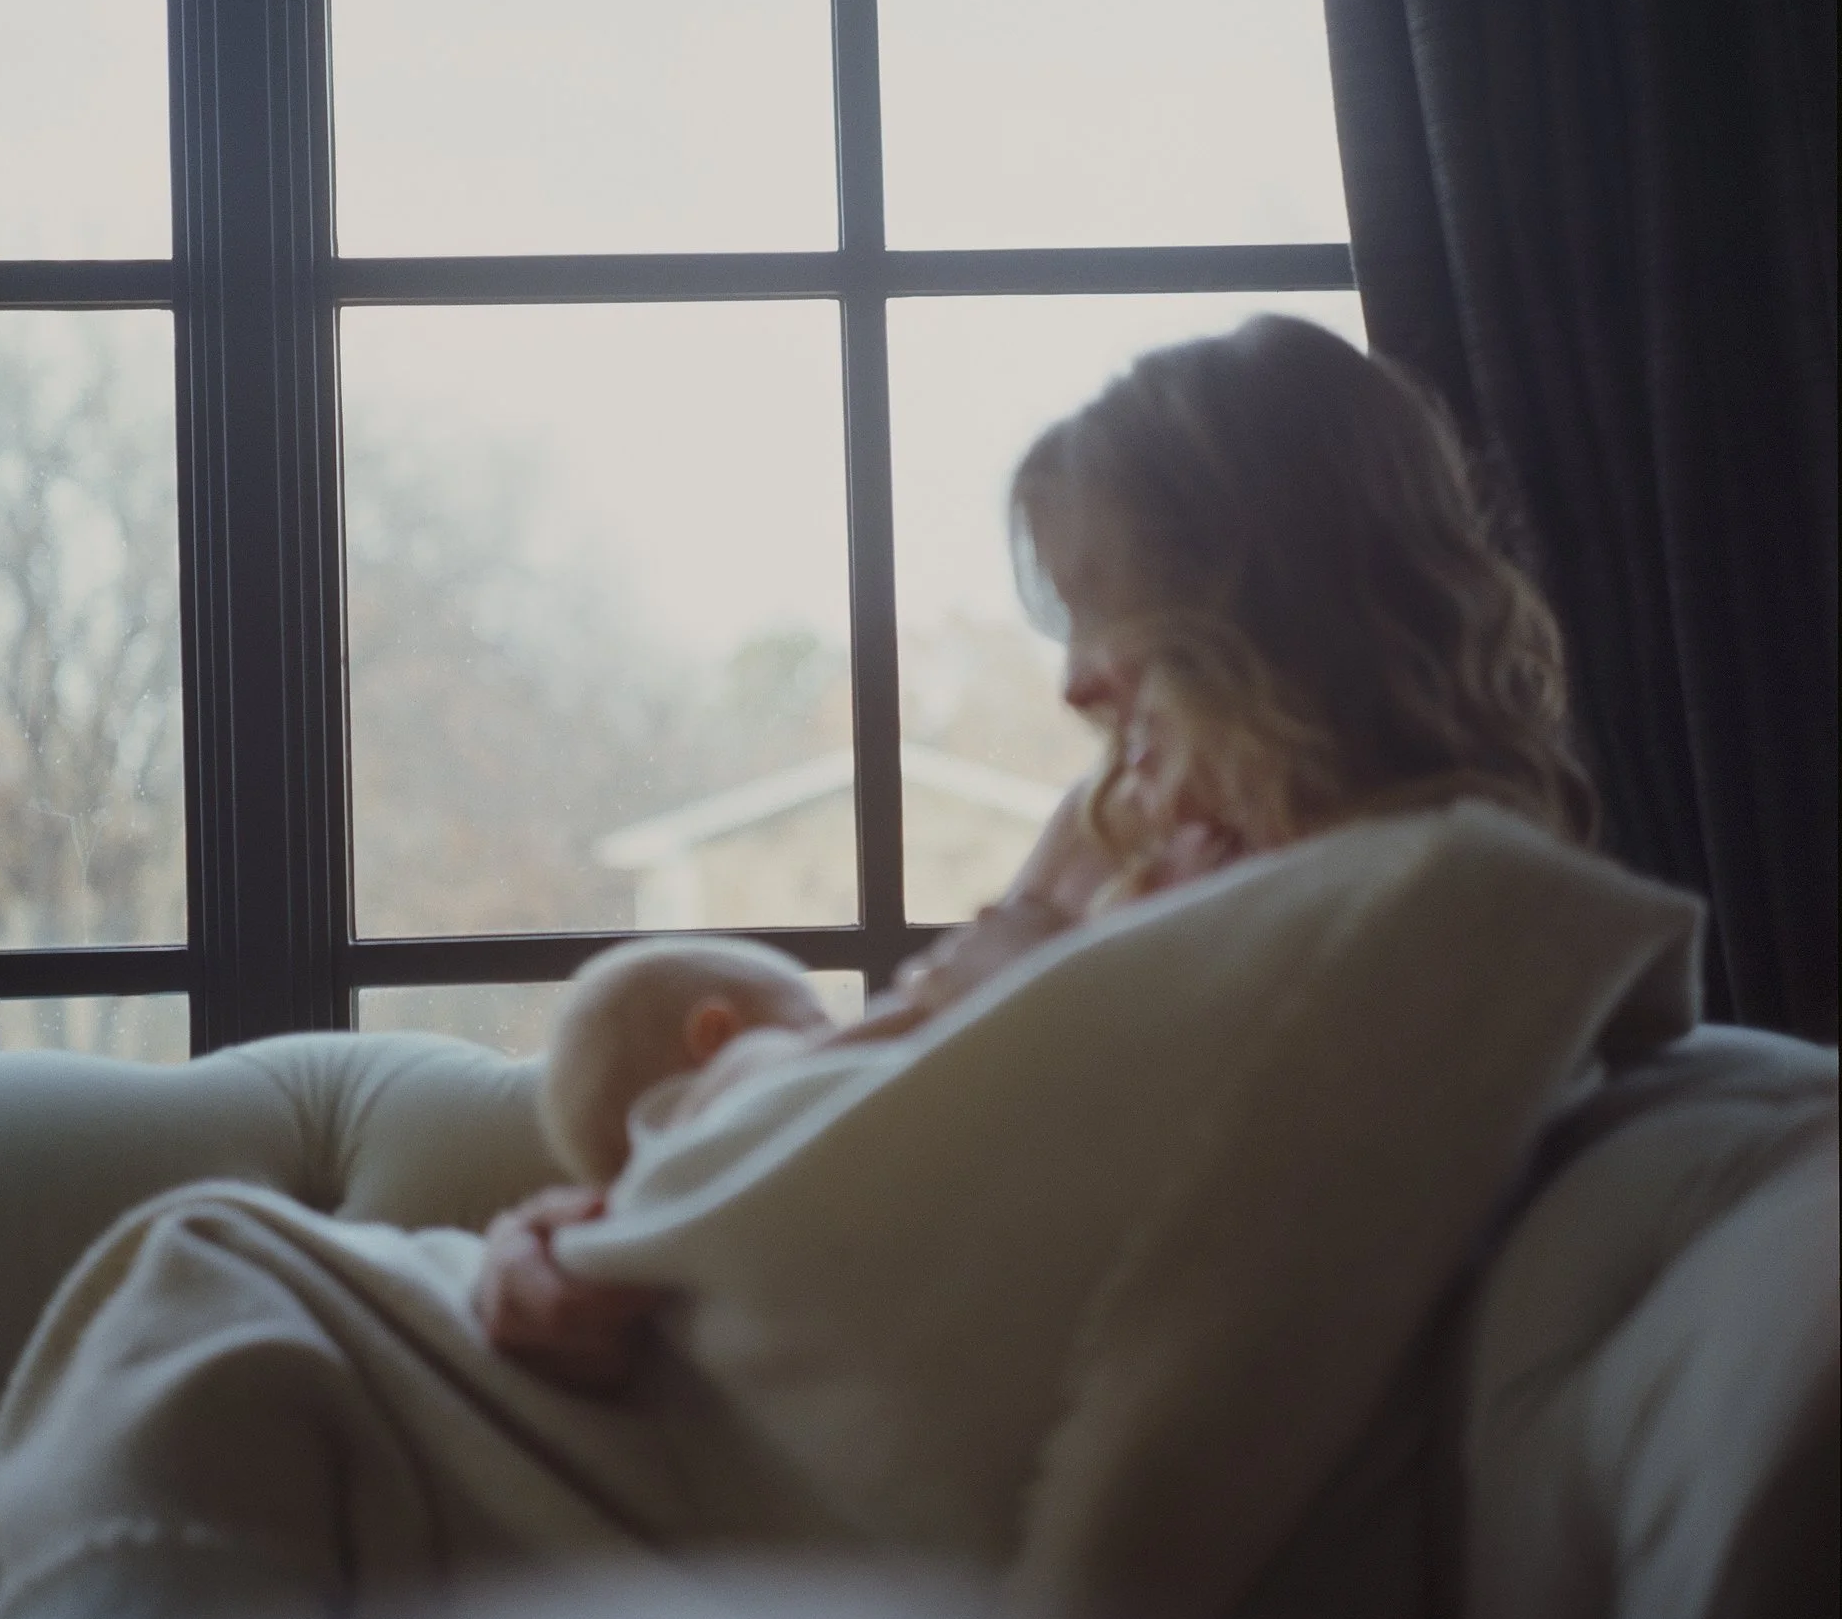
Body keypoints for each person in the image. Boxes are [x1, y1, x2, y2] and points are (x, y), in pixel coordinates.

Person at [475, 313, 1595, 1392]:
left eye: (1114, 619)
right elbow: (888, 1074)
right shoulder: (1104, 828)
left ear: (1271, 610)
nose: (1073, 686)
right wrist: (597, 1220)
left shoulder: (1440, 899)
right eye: (1068, 623)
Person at [536, 936, 829, 1188]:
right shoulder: (743, 1066)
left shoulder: (637, 1223)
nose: (833, 1034)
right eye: (818, 1024)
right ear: (718, 1036)